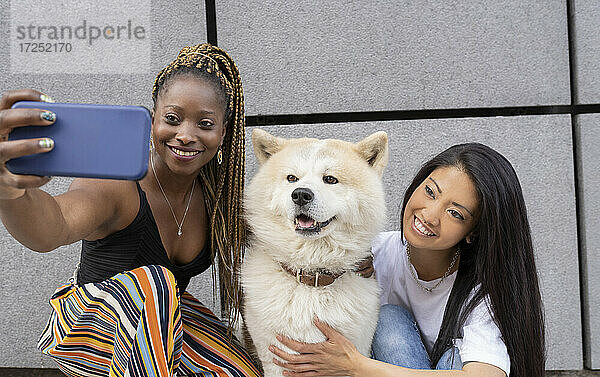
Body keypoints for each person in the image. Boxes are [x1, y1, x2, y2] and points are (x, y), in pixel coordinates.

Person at [0, 44, 261, 377]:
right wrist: (10, 191)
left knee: (241, 371)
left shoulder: (218, 200)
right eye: (172, 119)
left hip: (156, 329)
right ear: (152, 121)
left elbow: (288, 244)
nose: (185, 135)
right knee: (158, 282)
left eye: (205, 124)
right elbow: (54, 227)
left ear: (223, 133)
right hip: (89, 325)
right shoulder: (118, 184)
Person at [269, 143, 545, 377]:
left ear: (472, 232)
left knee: (453, 360)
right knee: (390, 320)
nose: (429, 215)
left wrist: (356, 365)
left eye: (455, 213)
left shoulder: (480, 293)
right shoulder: (369, 254)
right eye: (430, 192)